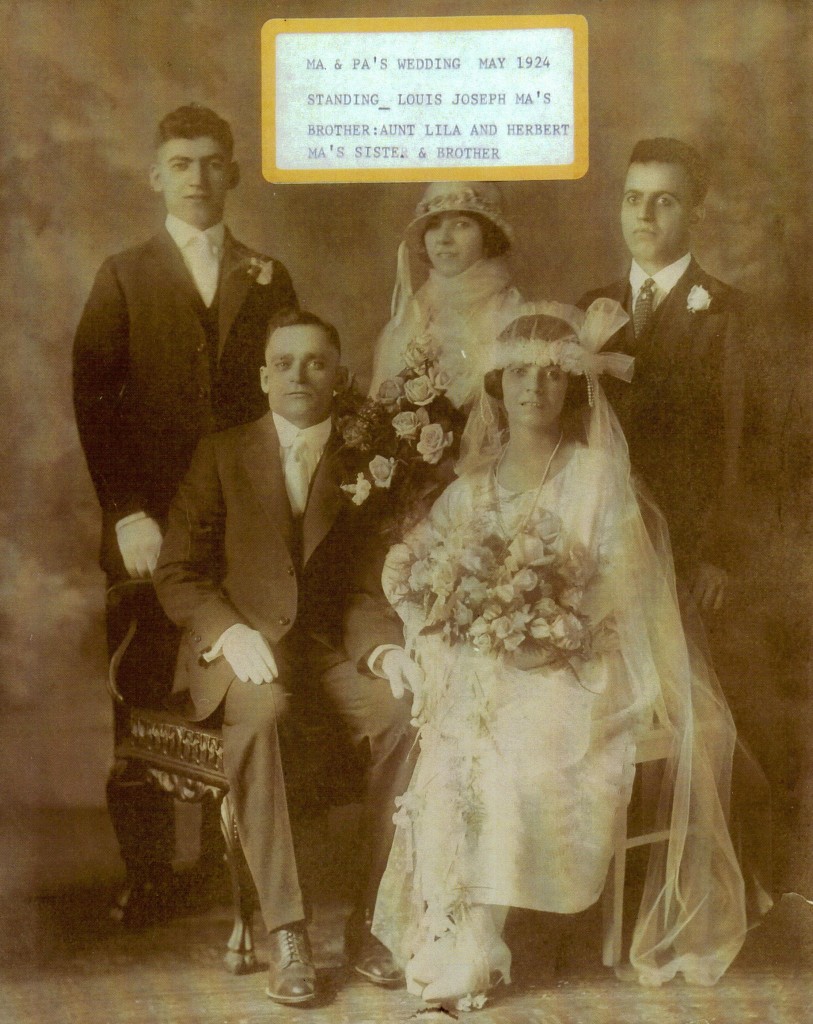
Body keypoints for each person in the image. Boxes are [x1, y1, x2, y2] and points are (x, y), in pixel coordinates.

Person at [371, 301, 762, 1011]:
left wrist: (544, 629)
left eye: (551, 376)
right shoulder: (469, 489)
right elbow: (412, 565)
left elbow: (621, 585)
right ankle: (452, 927)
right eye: (517, 373)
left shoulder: (596, 477)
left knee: (509, 754)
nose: (532, 389)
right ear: (495, 388)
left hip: (580, 665)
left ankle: (481, 943)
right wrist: (422, 611)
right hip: (490, 666)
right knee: (449, 753)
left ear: (575, 388)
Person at [154, 309, 421, 1005]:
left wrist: (384, 649)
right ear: (263, 374)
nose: (299, 374)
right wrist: (226, 632)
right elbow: (178, 571)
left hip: (330, 649)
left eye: (316, 362)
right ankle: (288, 930)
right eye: (285, 362)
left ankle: (370, 921)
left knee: (403, 712)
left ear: (338, 376)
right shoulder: (221, 452)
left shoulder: (365, 462)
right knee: (265, 712)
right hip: (242, 649)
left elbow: (365, 583)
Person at [72, 103, 298, 924]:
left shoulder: (267, 274)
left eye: (212, 162)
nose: (198, 178)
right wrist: (129, 511)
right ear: (156, 175)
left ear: (233, 171)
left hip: (237, 529)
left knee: (234, 681)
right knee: (141, 692)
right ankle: (150, 869)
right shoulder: (123, 274)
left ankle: (228, 863)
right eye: (181, 163)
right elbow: (95, 404)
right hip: (147, 525)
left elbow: (288, 402)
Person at [578, 137, 747, 613]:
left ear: (696, 215)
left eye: (664, 201)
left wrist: (719, 555)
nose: (644, 215)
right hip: (596, 545)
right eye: (633, 199)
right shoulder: (588, 308)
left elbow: (740, 446)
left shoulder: (732, 315)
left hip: (687, 553)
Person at [368, 181, 523, 409]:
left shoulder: (511, 312)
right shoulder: (410, 316)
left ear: (488, 236)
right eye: (434, 225)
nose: (443, 238)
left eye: (461, 224)